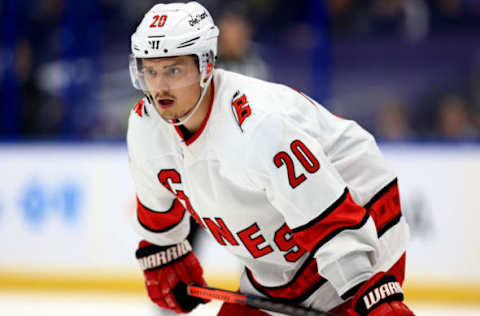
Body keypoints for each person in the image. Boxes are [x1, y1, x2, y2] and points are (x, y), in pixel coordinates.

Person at [126, 2, 415, 316]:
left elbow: (328, 214)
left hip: (361, 224)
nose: (160, 88)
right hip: (278, 267)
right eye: (150, 71)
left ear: (206, 66)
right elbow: (156, 208)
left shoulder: (257, 125)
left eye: (174, 70)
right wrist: (163, 250)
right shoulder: (146, 127)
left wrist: (368, 290)